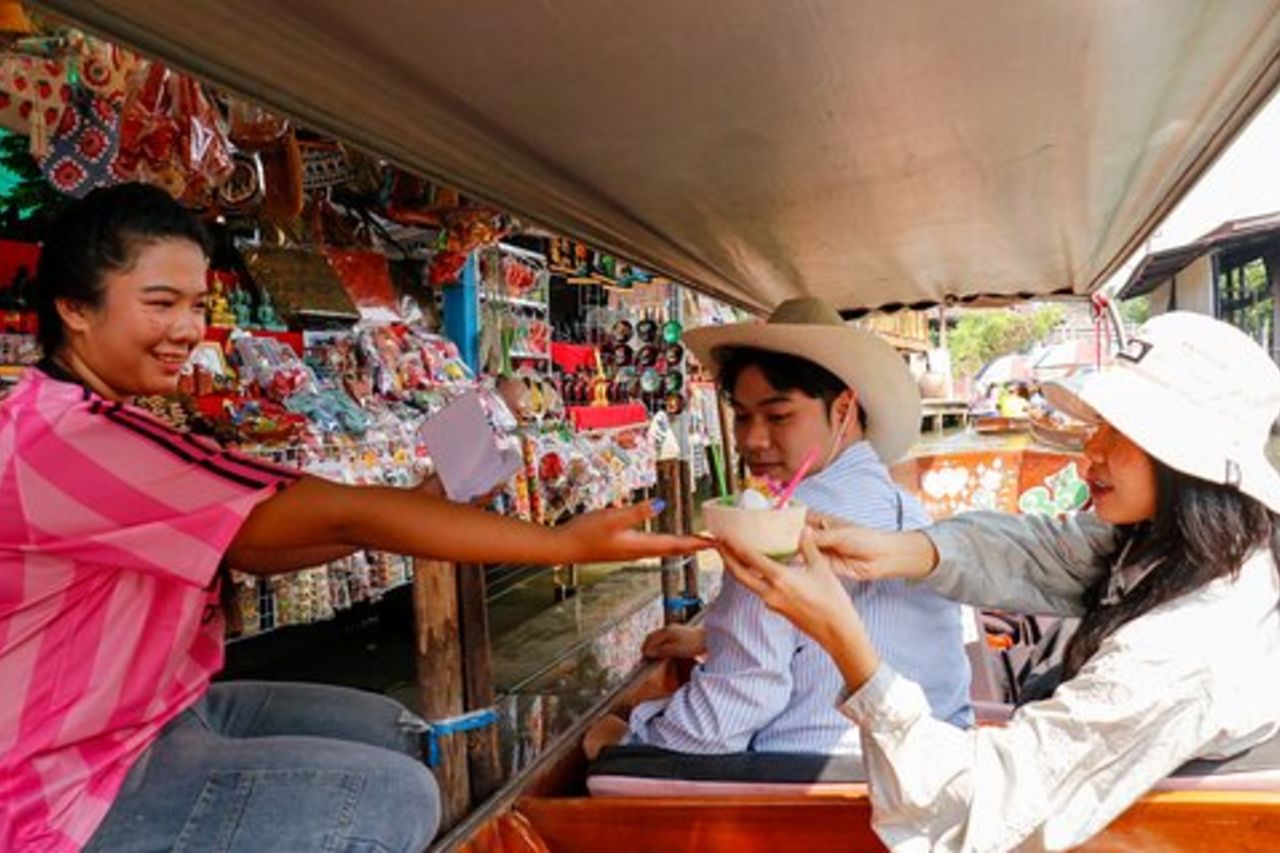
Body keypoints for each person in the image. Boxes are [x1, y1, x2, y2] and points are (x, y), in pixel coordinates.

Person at [0, 183, 708, 853]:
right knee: (393, 798)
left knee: (399, 732)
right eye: (161, 303)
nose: (188, 329)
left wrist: (425, 502)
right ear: (74, 307)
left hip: (151, 715)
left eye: (196, 303)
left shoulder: (90, 420)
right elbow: (336, 517)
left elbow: (253, 545)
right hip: (55, 785)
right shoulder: (71, 439)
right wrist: (560, 544)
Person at [718, 311, 1280, 850]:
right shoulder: (1181, 548)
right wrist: (898, 550)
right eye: (1099, 426)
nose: (1091, 451)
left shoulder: (1185, 650)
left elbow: (978, 807)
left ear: (1185, 459)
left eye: (1120, 432)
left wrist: (842, 636)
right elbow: (1039, 548)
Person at [584, 298, 971, 760]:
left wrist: (628, 740)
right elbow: (869, 623)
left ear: (844, 408)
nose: (752, 440)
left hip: (811, 779)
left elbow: (728, 715)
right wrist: (714, 638)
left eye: (779, 415)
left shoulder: (775, 526)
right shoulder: (908, 510)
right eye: (743, 415)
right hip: (937, 760)